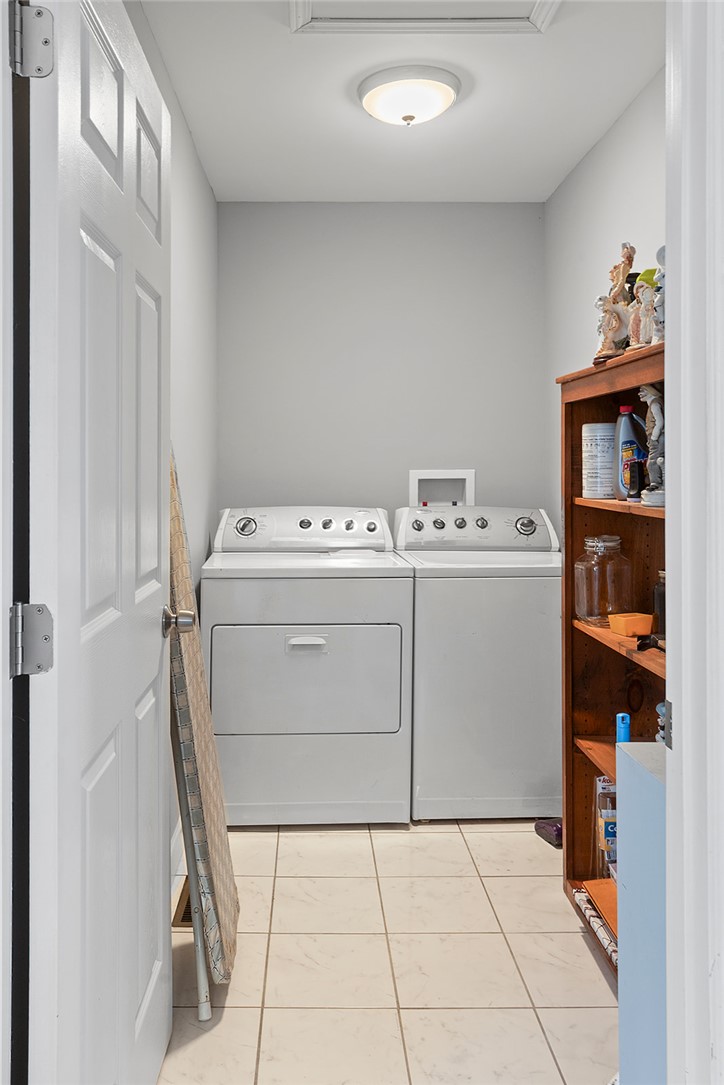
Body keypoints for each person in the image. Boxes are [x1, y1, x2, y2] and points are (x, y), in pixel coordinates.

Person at [638, 384, 665, 502]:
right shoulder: (654, 403)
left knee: (652, 461)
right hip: (656, 437)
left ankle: (655, 483)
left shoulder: (654, 404)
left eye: (642, 390)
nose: (640, 393)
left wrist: (653, 438)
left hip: (657, 437)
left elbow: (660, 422)